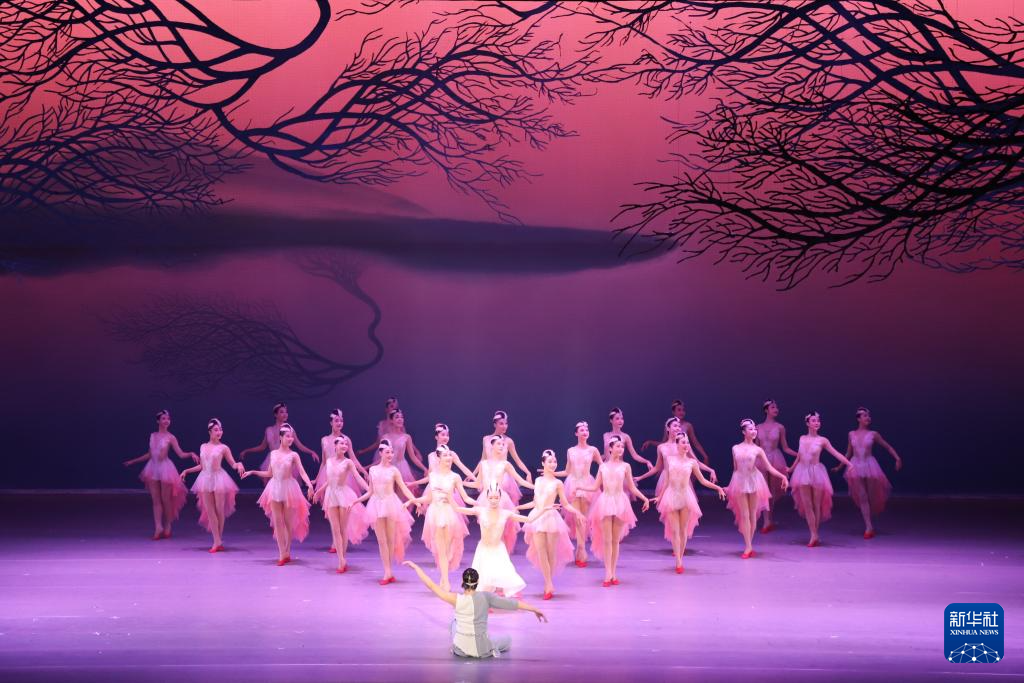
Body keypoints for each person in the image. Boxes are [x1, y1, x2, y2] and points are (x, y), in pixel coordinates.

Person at [403, 562, 547, 659]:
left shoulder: (455, 598)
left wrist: (416, 568)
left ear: (463, 582)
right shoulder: (486, 597)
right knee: (507, 640)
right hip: (482, 650)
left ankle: (467, 642)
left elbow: (431, 585)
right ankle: (489, 645)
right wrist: (534, 609)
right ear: (477, 582)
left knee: (454, 623)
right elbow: (512, 604)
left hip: (460, 650)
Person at [579, 436, 651, 585]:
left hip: (620, 502)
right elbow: (595, 487)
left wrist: (645, 498)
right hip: (605, 502)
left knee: (615, 541)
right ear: (610, 448)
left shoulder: (626, 466)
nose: (621, 449)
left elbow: (631, 487)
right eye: (618, 446)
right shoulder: (602, 467)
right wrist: (581, 487)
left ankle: (613, 572)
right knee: (607, 540)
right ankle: (608, 573)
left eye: (622, 446)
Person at [242, 423, 315, 565]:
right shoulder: (273, 454)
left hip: (289, 488)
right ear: (280, 437)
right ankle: (282, 554)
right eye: (288, 436)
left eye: (292, 436)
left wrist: (309, 485)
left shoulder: (294, 455)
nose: (290, 439)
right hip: (275, 488)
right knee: (277, 522)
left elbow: (302, 472)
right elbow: (269, 473)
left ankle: (287, 551)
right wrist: (252, 472)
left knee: (288, 522)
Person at [122, 409, 197, 540]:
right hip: (152, 468)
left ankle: (167, 525)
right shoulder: (153, 436)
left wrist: (190, 453)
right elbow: (150, 454)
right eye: (163, 418)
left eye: (168, 418)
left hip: (165, 469)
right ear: (158, 421)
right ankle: (158, 527)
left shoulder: (171, 437)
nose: (166, 421)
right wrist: (134, 461)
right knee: (156, 500)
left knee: (165, 499)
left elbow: (180, 454)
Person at [834, 407, 902, 539]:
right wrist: (840, 466)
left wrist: (897, 458)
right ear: (858, 418)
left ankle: (870, 522)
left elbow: (887, 446)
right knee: (863, 496)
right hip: (855, 466)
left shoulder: (873, 434)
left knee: (871, 496)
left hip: (870, 466)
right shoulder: (851, 434)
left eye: (868, 415)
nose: (868, 417)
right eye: (865, 415)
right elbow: (848, 453)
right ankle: (868, 526)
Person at [178, 418, 243, 552]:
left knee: (219, 510)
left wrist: (239, 464)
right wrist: (187, 471)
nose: (219, 432)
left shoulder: (224, 448)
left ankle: (218, 540)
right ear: (210, 432)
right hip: (205, 479)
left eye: (220, 430)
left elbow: (233, 464)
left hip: (219, 479)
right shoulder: (203, 446)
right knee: (210, 511)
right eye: (216, 430)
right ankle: (217, 541)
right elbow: (202, 466)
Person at [727, 420, 788, 559]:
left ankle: (749, 544)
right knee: (744, 514)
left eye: (755, 429)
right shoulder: (735, 448)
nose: (754, 431)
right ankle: (748, 546)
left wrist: (782, 476)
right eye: (750, 429)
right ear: (744, 432)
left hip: (754, 480)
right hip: (740, 481)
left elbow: (769, 467)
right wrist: (731, 486)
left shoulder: (758, 449)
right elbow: (735, 469)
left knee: (753, 514)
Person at [790, 412, 852, 547]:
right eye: (813, 420)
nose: (817, 422)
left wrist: (849, 464)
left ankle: (815, 533)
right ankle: (813, 534)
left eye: (818, 420)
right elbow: (799, 456)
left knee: (816, 504)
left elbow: (836, 453)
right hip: (802, 472)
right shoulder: (802, 438)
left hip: (816, 472)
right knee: (807, 505)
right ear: (807, 423)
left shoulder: (823, 440)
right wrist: (791, 469)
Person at [313, 436, 370, 573]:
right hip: (331, 495)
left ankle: (342, 559)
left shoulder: (348, 462)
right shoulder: (329, 461)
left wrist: (369, 490)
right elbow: (329, 480)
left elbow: (357, 477)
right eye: (342, 444)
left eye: (346, 444)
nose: (344, 446)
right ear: (335, 446)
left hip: (344, 496)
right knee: (335, 529)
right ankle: (341, 560)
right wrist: (319, 491)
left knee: (343, 529)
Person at [238, 402, 318, 477]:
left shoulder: (289, 429)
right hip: (273, 459)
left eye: (286, 412)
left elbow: (299, 445)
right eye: (282, 412)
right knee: (271, 484)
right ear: (275, 414)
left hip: (286, 460)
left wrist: (311, 452)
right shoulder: (269, 430)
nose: (285, 414)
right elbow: (262, 447)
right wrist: (247, 451)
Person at [754, 400, 799, 532]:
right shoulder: (758, 427)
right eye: (773, 407)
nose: (776, 409)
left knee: (772, 490)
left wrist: (799, 454)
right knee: (763, 489)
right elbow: (756, 447)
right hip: (761, 460)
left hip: (775, 459)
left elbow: (785, 447)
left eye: (776, 407)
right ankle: (766, 521)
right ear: (766, 410)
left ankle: (769, 519)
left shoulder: (780, 427)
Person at [641, 400, 711, 464]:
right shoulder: (669, 426)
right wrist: (651, 442)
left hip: (685, 456)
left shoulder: (688, 425)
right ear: (673, 412)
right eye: (679, 410)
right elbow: (664, 443)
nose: (682, 412)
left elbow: (695, 443)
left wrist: (705, 456)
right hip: (673, 457)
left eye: (683, 410)